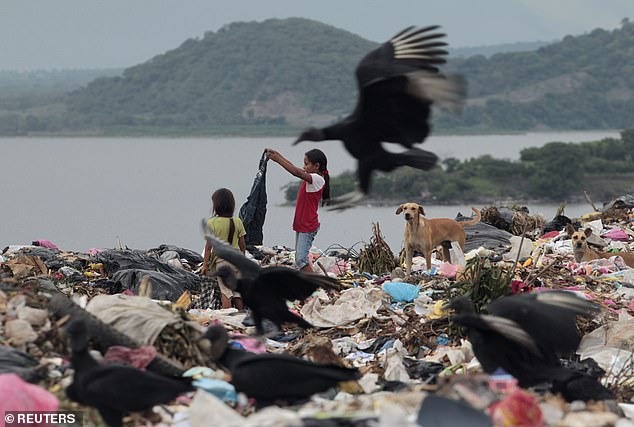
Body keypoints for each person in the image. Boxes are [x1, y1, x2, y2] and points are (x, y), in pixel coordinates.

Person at [265, 148, 330, 272]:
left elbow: (296, 172)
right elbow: (294, 168)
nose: (304, 166)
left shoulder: (317, 179)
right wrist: (277, 154)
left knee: (301, 260)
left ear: (316, 166)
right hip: (302, 224)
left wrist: (277, 160)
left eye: (306, 164)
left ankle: (318, 285)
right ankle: (311, 285)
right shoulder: (311, 177)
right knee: (299, 259)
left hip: (308, 225)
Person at [201, 188, 246, 310]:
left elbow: (208, 247)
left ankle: (228, 316)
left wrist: (205, 265)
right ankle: (241, 315)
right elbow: (243, 245)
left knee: (226, 291)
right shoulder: (237, 221)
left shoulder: (212, 223)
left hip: (222, 261)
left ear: (216, 206)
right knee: (237, 292)